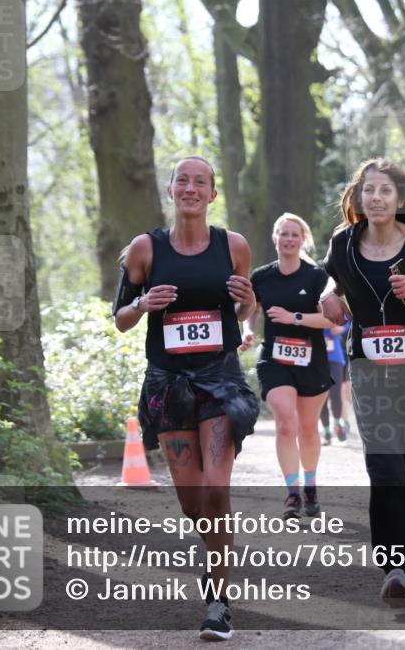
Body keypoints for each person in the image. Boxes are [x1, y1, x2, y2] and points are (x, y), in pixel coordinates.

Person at [113, 156, 259, 642]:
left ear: (213, 194)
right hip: (169, 385)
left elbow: (244, 307)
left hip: (218, 379)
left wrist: (247, 301)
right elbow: (120, 317)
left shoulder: (232, 245)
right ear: (171, 190)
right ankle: (216, 556)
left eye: (201, 182)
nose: (191, 188)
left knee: (217, 489)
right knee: (195, 501)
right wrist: (142, 303)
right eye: (183, 181)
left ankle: (218, 600)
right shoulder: (144, 249)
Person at [320, 157, 405, 608]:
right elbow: (333, 286)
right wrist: (328, 296)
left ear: (400, 199)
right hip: (369, 368)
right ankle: (394, 566)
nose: (375, 198)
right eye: (368, 191)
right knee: (384, 462)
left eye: (384, 191)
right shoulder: (343, 244)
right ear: (358, 200)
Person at [242, 213, 333, 520]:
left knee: (308, 430)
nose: (289, 239)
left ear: (302, 239)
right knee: (285, 422)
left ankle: (310, 487)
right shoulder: (262, 276)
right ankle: (292, 494)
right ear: (275, 238)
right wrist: (249, 331)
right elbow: (252, 310)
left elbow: (332, 319)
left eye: (295, 234)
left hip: (312, 360)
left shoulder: (317, 276)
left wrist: (295, 318)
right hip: (275, 358)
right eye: (284, 234)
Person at [319, 319, 351, 445]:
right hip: (315, 358)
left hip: (334, 358)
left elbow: (347, 320)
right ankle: (326, 432)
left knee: (336, 394)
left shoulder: (329, 300)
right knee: (321, 397)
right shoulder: (308, 303)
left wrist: (341, 328)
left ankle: (337, 424)